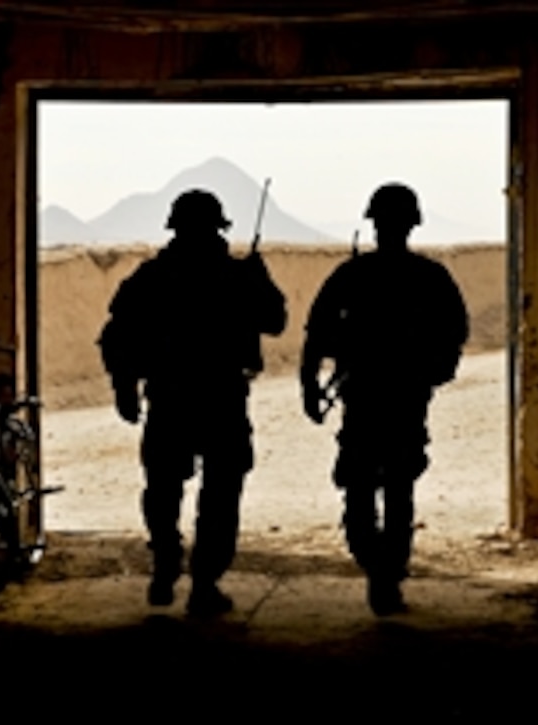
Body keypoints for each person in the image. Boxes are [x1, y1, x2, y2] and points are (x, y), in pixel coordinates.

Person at [98, 189, 286, 616]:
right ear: (217, 229)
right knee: (220, 493)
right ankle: (203, 582)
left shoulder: (153, 277)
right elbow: (275, 321)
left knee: (164, 488)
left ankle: (168, 563)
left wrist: (124, 388)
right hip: (220, 398)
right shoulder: (237, 277)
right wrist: (261, 279)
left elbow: (116, 336)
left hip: (171, 398)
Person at [299, 182, 469, 616]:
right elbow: (454, 333)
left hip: (376, 398)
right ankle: (385, 573)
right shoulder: (428, 277)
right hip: (397, 398)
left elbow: (317, 333)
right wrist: (435, 370)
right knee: (394, 489)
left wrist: (309, 385)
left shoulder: (355, 275)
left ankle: (382, 571)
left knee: (372, 489)